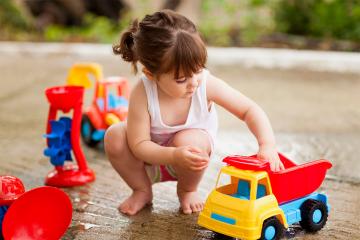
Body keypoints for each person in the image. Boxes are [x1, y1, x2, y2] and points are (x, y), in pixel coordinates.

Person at [105, 9, 284, 216]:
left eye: (198, 69)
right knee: (114, 135)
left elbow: (249, 109)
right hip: (149, 161)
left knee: (190, 138)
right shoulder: (142, 92)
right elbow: (139, 145)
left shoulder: (205, 84)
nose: (194, 83)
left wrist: (267, 145)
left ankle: (188, 190)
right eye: (181, 79)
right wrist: (173, 155)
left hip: (191, 160)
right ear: (151, 74)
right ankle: (142, 189)